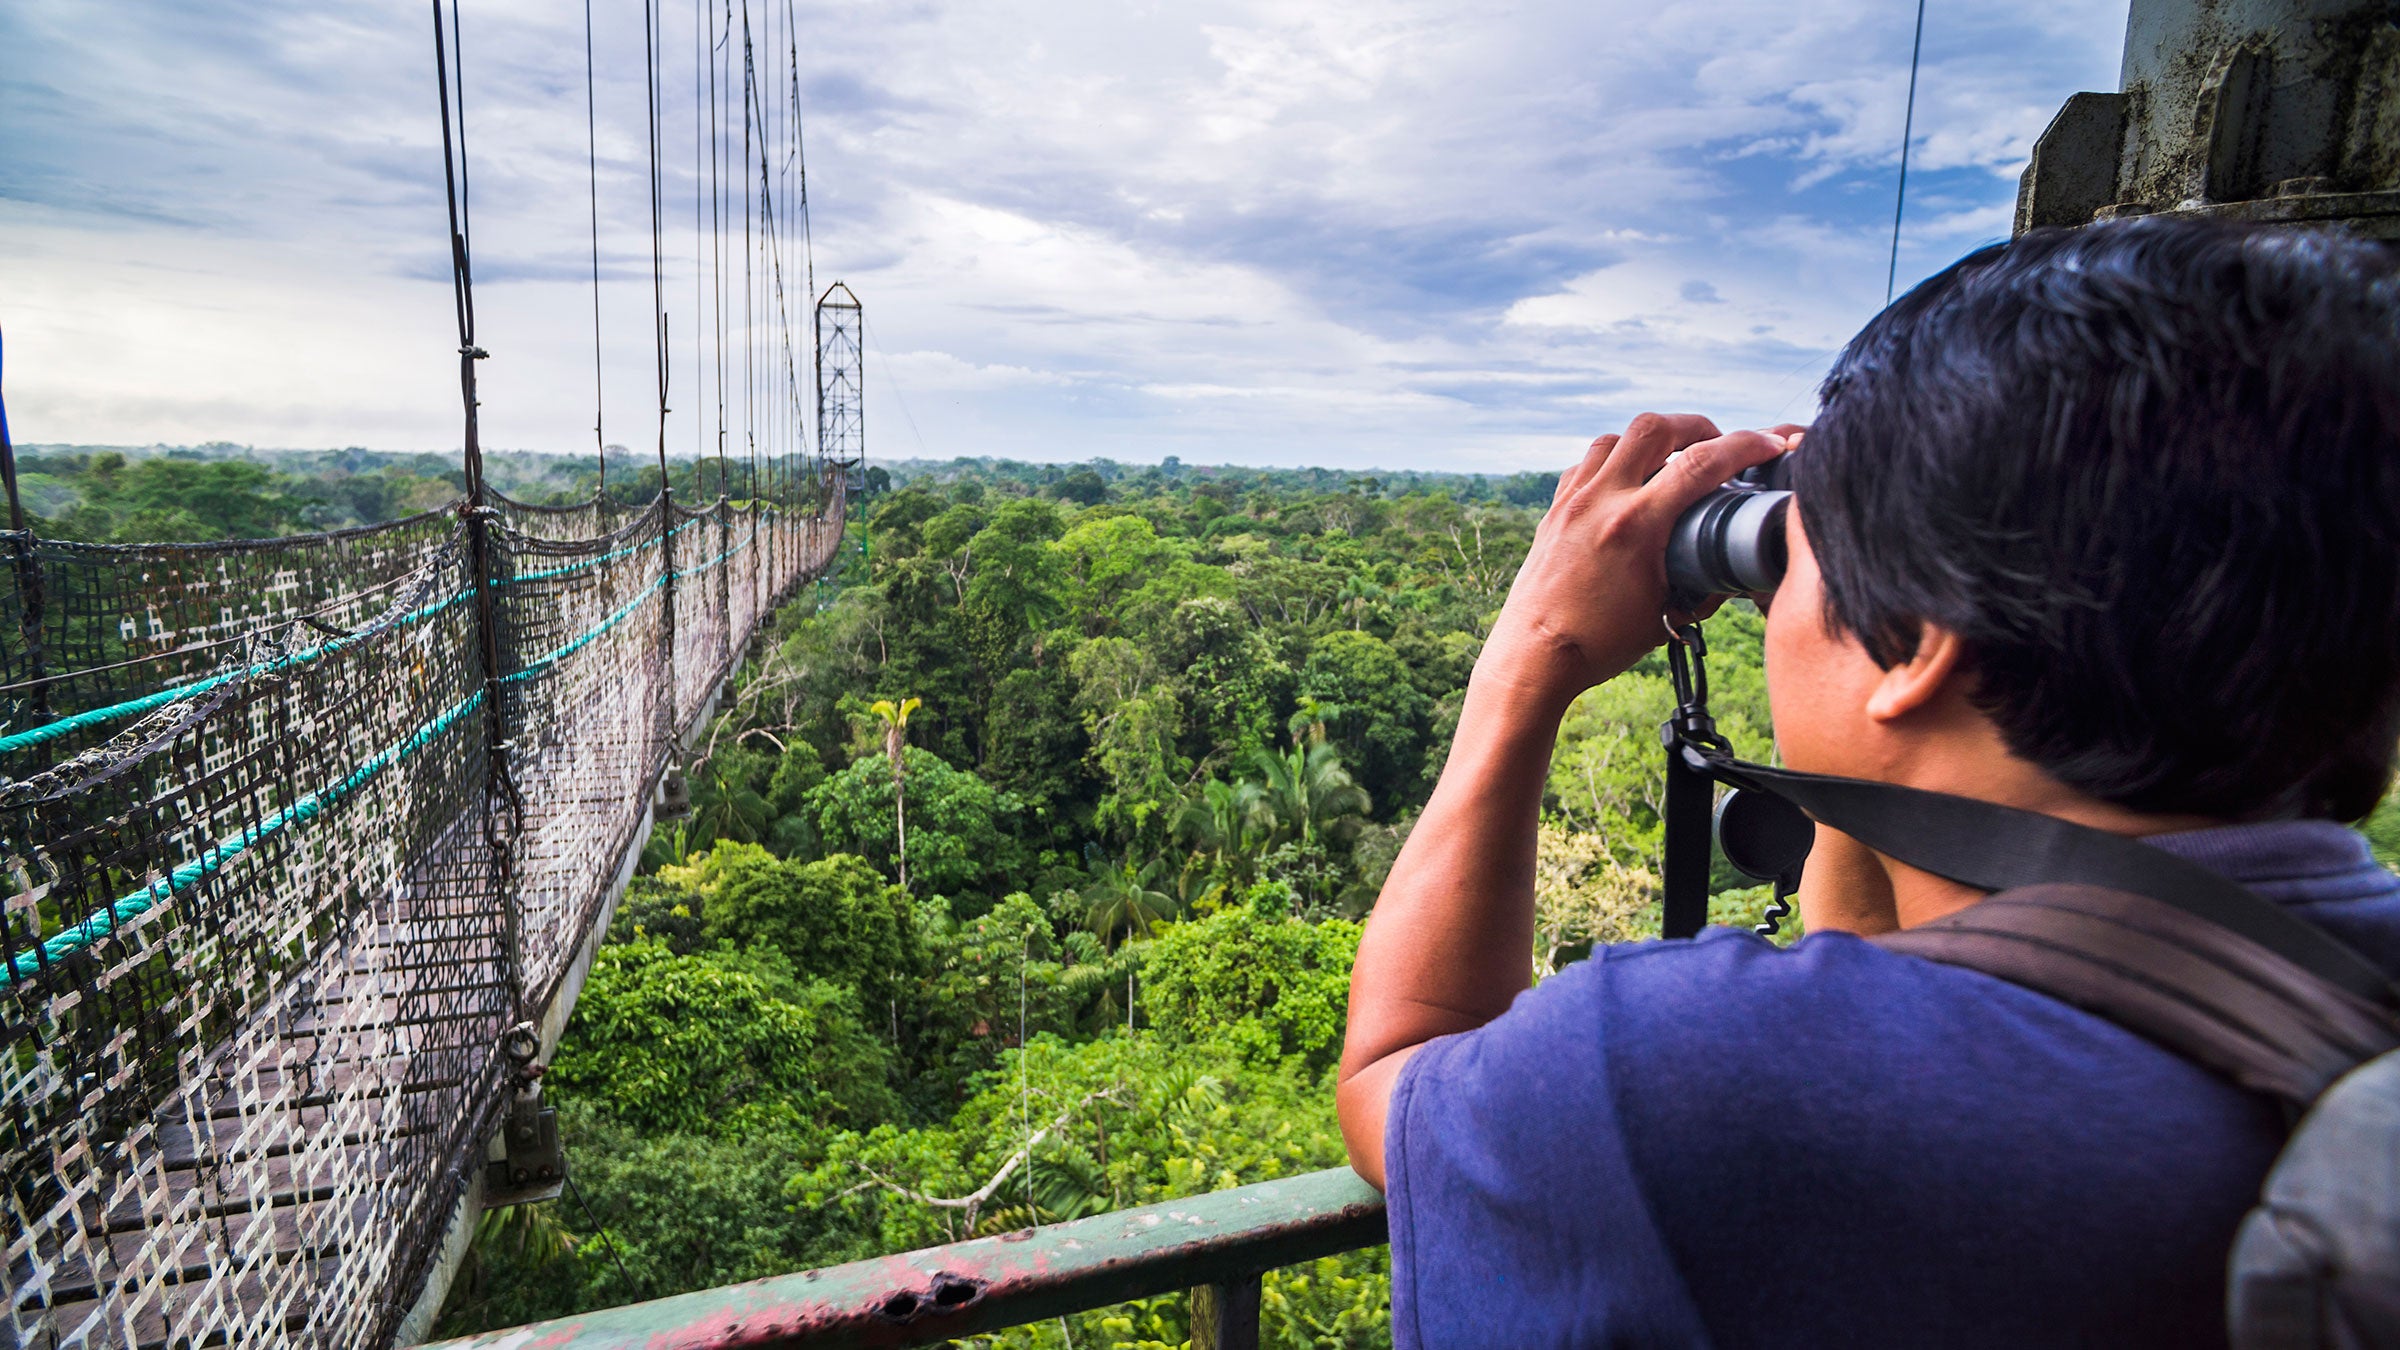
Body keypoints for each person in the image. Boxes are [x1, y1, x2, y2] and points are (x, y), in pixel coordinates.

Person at [1337, 217, 2400, 1348]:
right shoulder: (2349, 985)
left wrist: (1527, 656)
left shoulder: (1688, 1080)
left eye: (1803, 564)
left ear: (1920, 646)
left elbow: (1397, 1072)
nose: (1786, 595)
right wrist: (1857, 611)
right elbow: (1899, 969)